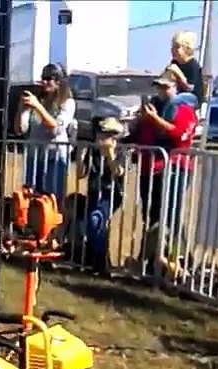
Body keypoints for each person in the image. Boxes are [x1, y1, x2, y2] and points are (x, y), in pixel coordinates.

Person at [130, 69, 199, 281]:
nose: (162, 91)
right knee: (151, 216)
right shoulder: (153, 108)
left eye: (166, 87)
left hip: (175, 166)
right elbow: (140, 134)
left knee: (171, 216)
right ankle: (152, 261)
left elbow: (179, 135)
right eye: (159, 87)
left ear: (176, 87)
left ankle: (183, 263)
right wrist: (139, 123)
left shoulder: (184, 109)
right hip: (150, 167)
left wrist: (154, 119)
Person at [73, 117, 127, 275]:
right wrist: (80, 157)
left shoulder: (121, 150)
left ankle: (100, 263)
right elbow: (81, 174)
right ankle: (94, 260)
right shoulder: (93, 150)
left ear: (113, 136)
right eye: (99, 134)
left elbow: (119, 172)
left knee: (96, 220)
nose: (99, 138)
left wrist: (110, 154)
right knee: (90, 223)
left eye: (104, 135)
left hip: (111, 194)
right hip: (94, 192)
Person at [15, 63, 76, 200]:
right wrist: (21, 109)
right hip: (34, 157)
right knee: (31, 197)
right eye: (43, 77)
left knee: (51, 200)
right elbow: (20, 130)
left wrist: (37, 107)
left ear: (59, 82)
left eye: (49, 78)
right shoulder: (37, 100)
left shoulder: (67, 103)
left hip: (55, 158)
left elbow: (55, 129)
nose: (44, 81)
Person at [163, 31, 203, 108]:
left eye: (177, 47)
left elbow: (190, 88)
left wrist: (178, 72)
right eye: (173, 47)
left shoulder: (193, 65)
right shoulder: (175, 63)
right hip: (178, 94)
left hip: (192, 98)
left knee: (173, 101)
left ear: (187, 48)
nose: (173, 50)